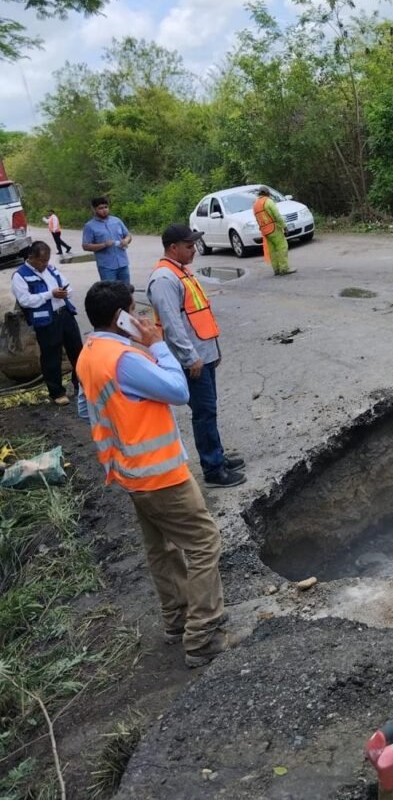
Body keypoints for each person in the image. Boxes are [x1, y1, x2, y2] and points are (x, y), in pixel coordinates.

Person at [76, 280, 230, 668]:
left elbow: (86, 409)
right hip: (161, 476)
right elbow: (179, 390)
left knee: (161, 548)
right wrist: (156, 345)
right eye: (135, 311)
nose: (142, 318)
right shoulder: (126, 359)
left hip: (130, 473)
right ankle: (202, 635)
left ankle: (177, 621)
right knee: (203, 543)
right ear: (120, 318)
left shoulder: (90, 353)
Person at [146, 224, 246, 489]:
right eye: (189, 247)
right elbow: (172, 325)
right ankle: (213, 469)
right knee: (204, 412)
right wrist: (191, 358)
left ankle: (218, 457)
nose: (193, 251)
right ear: (173, 248)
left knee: (209, 409)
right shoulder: (164, 280)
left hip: (205, 353)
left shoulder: (181, 272)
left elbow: (198, 315)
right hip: (193, 360)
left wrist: (214, 350)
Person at [11, 240, 83, 405]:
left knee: (77, 351)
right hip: (46, 320)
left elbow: (67, 286)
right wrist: (49, 294)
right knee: (52, 355)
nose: (45, 264)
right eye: (42, 261)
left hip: (65, 313)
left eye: (47, 260)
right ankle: (57, 392)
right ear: (31, 258)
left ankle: (80, 384)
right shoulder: (20, 276)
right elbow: (25, 301)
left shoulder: (51, 269)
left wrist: (65, 292)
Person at [82, 197, 132, 283]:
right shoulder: (90, 226)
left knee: (127, 290)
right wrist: (104, 245)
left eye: (106, 207)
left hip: (122, 263)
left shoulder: (116, 221)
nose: (104, 210)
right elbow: (86, 246)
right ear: (94, 209)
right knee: (110, 293)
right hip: (107, 267)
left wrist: (126, 241)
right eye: (100, 208)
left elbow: (128, 235)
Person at [253, 187, 296, 275]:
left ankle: (276, 269)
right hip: (274, 228)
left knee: (272, 251)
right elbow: (277, 216)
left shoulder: (255, 205)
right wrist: (284, 226)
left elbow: (257, 219)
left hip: (265, 231)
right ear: (267, 193)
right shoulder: (268, 202)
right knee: (282, 247)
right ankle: (284, 268)